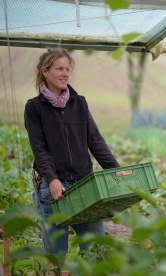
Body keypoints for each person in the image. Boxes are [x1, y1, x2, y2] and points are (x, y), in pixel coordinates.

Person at [24, 48, 125, 257]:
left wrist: (115, 169)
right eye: (59, 68)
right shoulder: (34, 107)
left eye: (67, 69)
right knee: (56, 255)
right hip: (54, 190)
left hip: (85, 186)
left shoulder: (79, 103)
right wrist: (52, 179)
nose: (65, 73)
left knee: (95, 251)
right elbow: (39, 149)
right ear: (45, 71)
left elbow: (95, 141)